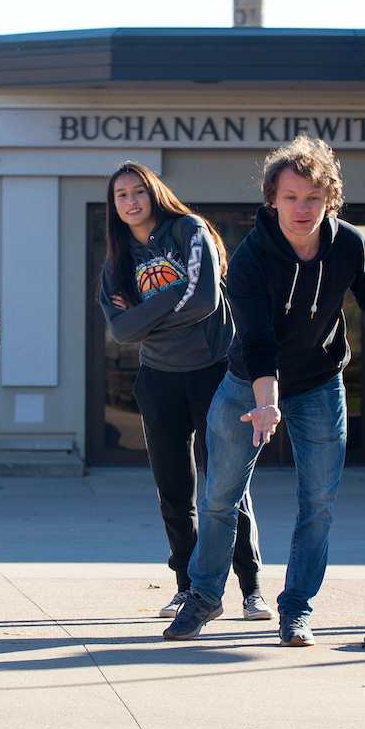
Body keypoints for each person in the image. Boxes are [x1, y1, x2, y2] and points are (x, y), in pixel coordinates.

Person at [164, 137, 365, 646]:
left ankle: (296, 608)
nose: (302, 209)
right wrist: (265, 400)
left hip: (321, 384)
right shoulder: (253, 257)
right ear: (272, 199)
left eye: (313, 198)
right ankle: (204, 597)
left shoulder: (348, 245)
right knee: (218, 497)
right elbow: (257, 340)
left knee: (318, 502)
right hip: (246, 385)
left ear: (330, 201)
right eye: (291, 197)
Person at [98, 161, 267, 621]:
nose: (131, 201)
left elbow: (206, 299)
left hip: (215, 373)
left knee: (227, 483)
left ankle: (251, 586)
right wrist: (172, 301)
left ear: (154, 193)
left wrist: (147, 310)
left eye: (138, 191)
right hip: (158, 379)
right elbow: (120, 330)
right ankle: (188, 586)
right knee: (174, 488)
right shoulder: (117, 259)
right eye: (121, 195)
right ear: (114, 205)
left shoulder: (189, 231)